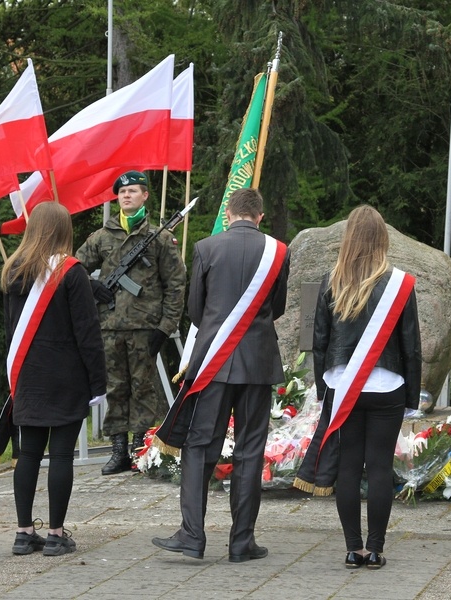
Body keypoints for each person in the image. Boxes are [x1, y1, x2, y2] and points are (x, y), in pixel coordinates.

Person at [151, 188, 289, 563]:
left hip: (214, 361)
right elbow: (276, 306)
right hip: (259, 363)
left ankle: (192, 536)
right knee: (250, 450)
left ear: (229, 214)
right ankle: (242, 542)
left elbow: (196, 309)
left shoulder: (206, 248)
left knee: (200, 446)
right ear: (259, 216)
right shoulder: (279, 251)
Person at [293, 205, 422, 570]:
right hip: (387, 387)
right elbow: (411, 344)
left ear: (347, 239)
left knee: (348, 467)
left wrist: (324, 391)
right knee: (379, 467)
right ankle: (377, 549)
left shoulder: (330, 280)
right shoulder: (401, 283)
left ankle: (354, 549)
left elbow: (320, 341)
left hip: (342, 387)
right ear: (383, 239)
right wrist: (411, 397)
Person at [0, 201, 107, 556]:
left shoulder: (13, 270)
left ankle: (23, 532)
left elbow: (10, 331)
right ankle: (57, 535)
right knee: (61, 456)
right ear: (64, 231)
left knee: (28, 454)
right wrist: (98, 383)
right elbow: (87, 333)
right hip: (66, 375)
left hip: (28, 374)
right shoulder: (72, 272)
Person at [75, 170, 186, 475]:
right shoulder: (102, 236)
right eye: (122, 193)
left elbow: (175, 285)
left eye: (133, 191)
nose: (127, 196)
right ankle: (118, 450)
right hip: (109, 326)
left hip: (144, 327)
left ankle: (140, 447)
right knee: (115, 388)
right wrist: (91, 285)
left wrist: (165, 328)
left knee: (142, 388)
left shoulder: (160, 237)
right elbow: (72, 267)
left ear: (145, 196)